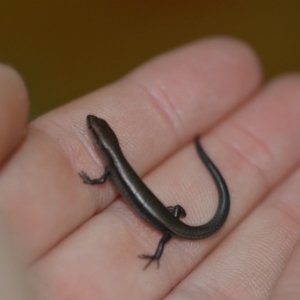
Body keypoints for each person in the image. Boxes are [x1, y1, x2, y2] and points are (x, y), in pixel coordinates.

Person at [0, 37, 299, 299]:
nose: (91, 130)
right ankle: (174, 219)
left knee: (168, 229)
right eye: (94, 130)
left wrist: (94, 181)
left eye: (94, 132)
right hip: (168, 221)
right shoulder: (113, 161)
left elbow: (105, 177)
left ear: (104, 144)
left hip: (167, 226)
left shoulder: (110, 166)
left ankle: (166, 237)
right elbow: (108, 175)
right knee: (172, 219)